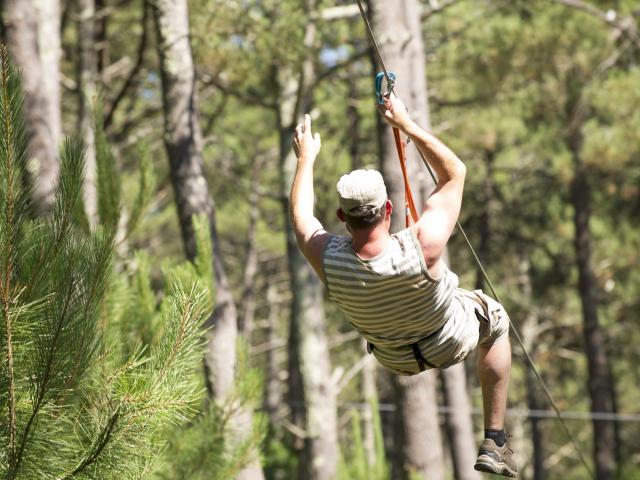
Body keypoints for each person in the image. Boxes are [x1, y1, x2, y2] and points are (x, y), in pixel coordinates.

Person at [289, 94, 518, 478]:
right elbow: (455, 172)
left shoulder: (328, 258)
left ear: (342, 216)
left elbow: (300, 215)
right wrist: (406, 124)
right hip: (448, 340)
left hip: (395, 359)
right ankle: (494, 440)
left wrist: (306, 159)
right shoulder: (422, 244)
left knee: (437, 305)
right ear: (388, 208)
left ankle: (494, 439)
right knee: (494, 318)